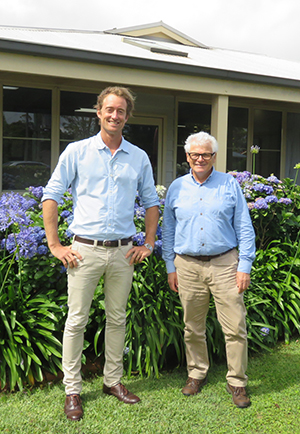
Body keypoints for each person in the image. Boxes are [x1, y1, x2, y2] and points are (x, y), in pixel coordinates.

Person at [42, 86, 159, 421]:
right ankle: (72, 390)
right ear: (98, 112)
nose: (114, 115)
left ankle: (113, 381)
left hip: (123, 253)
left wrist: (148, 244)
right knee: (76, 321)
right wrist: (55, 246)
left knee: (117, 319)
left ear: (127, 115)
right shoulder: (77, 152)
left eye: (121, 111)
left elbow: (151, 202)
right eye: (109, 109)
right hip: (83, 251)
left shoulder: (138, 157)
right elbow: (51, 196)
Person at [162, 131, 256, 408]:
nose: (200, 159)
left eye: (205, 154)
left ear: (214, 156)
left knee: (235, 326)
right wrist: (171, 266)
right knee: (192, 327)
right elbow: (169, 230)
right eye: (194, 154)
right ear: (187, 157)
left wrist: (245, 265)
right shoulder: (176, 188)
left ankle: (237, 381)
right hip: (187, 266)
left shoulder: (229, 185)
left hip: (226, 264)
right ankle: (196, 373)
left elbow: (244, 226)